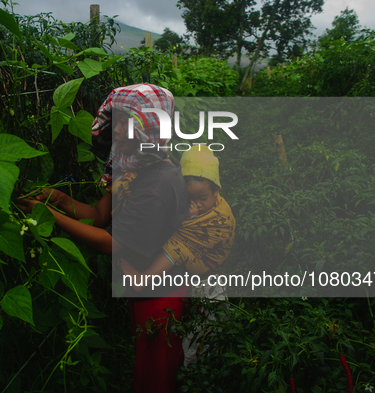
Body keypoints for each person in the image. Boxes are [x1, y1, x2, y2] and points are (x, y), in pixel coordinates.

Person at [17, 84, 189, 393]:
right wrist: (58, 199)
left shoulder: (156, 183)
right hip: (145, 286)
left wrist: (48, 216)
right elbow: (99, 215)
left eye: (128, 122)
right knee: (152, 366)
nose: (118, 129)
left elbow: (112, 243)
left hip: (163, 295)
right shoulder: (134, 166)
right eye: (118, 119)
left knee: (156, 375)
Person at [119, 145, 236, 364]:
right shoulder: (188, 201)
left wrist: (188, 218)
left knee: (177, 246)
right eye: (191, 200)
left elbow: (219, 234)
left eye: (203, 198)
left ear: (216, 192)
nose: (198, 206)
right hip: (189, 275)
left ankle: (143, 278)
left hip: (205, 266)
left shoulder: (220, 214)